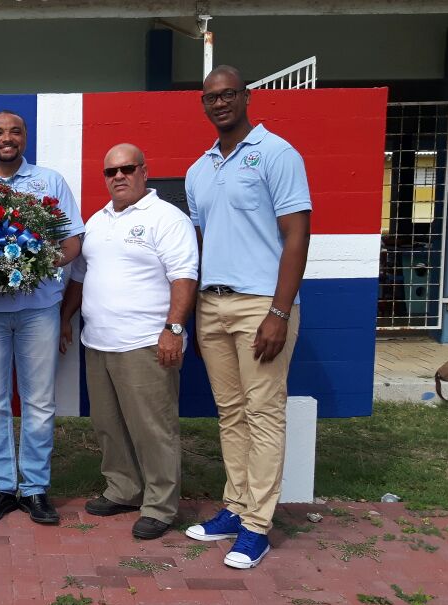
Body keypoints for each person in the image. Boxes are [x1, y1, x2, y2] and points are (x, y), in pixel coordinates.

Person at [183, 66, 312, 568]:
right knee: (231, 412)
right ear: (204, 104)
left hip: (262, 304)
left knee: (263, 413)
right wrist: (193, 310)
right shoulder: (200, 169)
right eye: (211, 97)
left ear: (247, 97)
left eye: (228, 94)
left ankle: (258, 523)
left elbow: (297, 235)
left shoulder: (277, 154)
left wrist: (279, 310)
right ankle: (235, 507)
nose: (220, 103)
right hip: (211, 304)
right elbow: (199, 243)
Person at [0, 110, 84, 526]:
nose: (7, 138)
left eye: (14, 131)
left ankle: (36, 489)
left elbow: (73, 241)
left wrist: (39, 267)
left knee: (39, 402)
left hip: (38, 309)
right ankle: (1, 487)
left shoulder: (50, 182)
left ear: (25, 138)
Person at [59, 144, 198, 540]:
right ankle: (123, 489)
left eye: (127, 168)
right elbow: (81, 277)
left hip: (146, 344)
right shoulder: (97, 221)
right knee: (108, 425)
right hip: (98, 342)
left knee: (153, 429)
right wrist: (65, 318)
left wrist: (173, 329)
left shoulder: (167, 219)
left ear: (144, 171)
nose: (118, 176)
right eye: (110, 171)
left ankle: (160, 505)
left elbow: (184, 276)